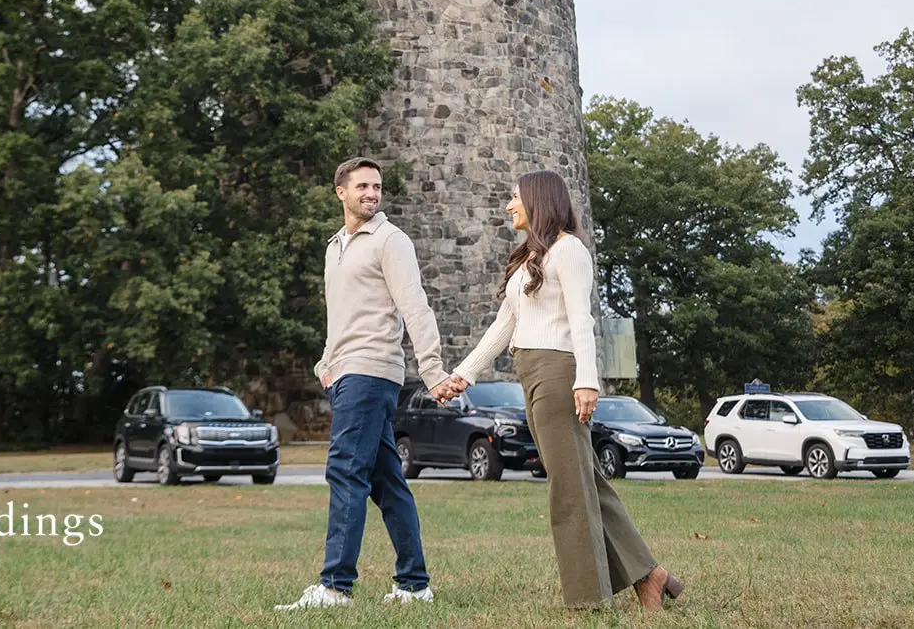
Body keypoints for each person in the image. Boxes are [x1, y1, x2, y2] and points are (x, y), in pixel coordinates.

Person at [440, 170, 684, 612]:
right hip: (530, 370)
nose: (509, 206)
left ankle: (587, 599)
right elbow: (506, 323)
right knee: (584, 481)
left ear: (537, 201)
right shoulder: (532, 256)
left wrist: (588, 380)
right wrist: (465, 374)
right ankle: (651, 576)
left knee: (568, 489)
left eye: (514, 198)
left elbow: (581, 319)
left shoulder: (569, 251)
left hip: (557, 371)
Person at [274, 156, 456, 611]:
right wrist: (324, 364)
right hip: (346, 372)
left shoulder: (391, 240)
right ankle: (414, 585)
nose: (372, 194)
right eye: (362, 187)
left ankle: (335, 586)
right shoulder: (335, 246)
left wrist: (432, 371)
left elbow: (415, 306)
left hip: (372, 371)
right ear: (341, 191)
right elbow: (340, 317)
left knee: (344, 471)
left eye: (377, 187)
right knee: (385, 480)